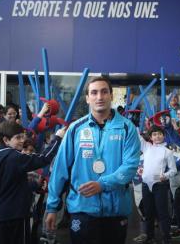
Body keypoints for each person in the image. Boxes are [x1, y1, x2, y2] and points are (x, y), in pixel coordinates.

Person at [45, 77, 141, 244]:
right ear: (88, 98)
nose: (99, 97)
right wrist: (52, 207)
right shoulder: (76, 129)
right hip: (82, 210)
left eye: (104, 92)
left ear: (111, 95)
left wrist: (102, 184)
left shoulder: (127, 128)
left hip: (116, 212)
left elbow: (130, 167)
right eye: (94, 93)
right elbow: (60, 168)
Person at [0, 120, 65, 244]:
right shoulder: (15, 157)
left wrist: (33, 185)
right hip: (17, 213)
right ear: (6, 140)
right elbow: (44, 158)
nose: (22, 140)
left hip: (3, 212)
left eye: (22, 136)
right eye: (17, 137)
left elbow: (8, 183)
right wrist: (57, 138)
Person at [139, 125, 177, 244]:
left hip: (159, 185)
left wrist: (165, 176)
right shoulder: (146, 147)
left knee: (162, 213)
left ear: (164, 135)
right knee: (148, 213)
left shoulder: (168, 152)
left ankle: (166, 238)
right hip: (145, 185)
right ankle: (150, 237)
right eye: (154, 134)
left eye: (159, 134)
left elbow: (173, 170)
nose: (157, 136)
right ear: (150, 137)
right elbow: (137, 137)